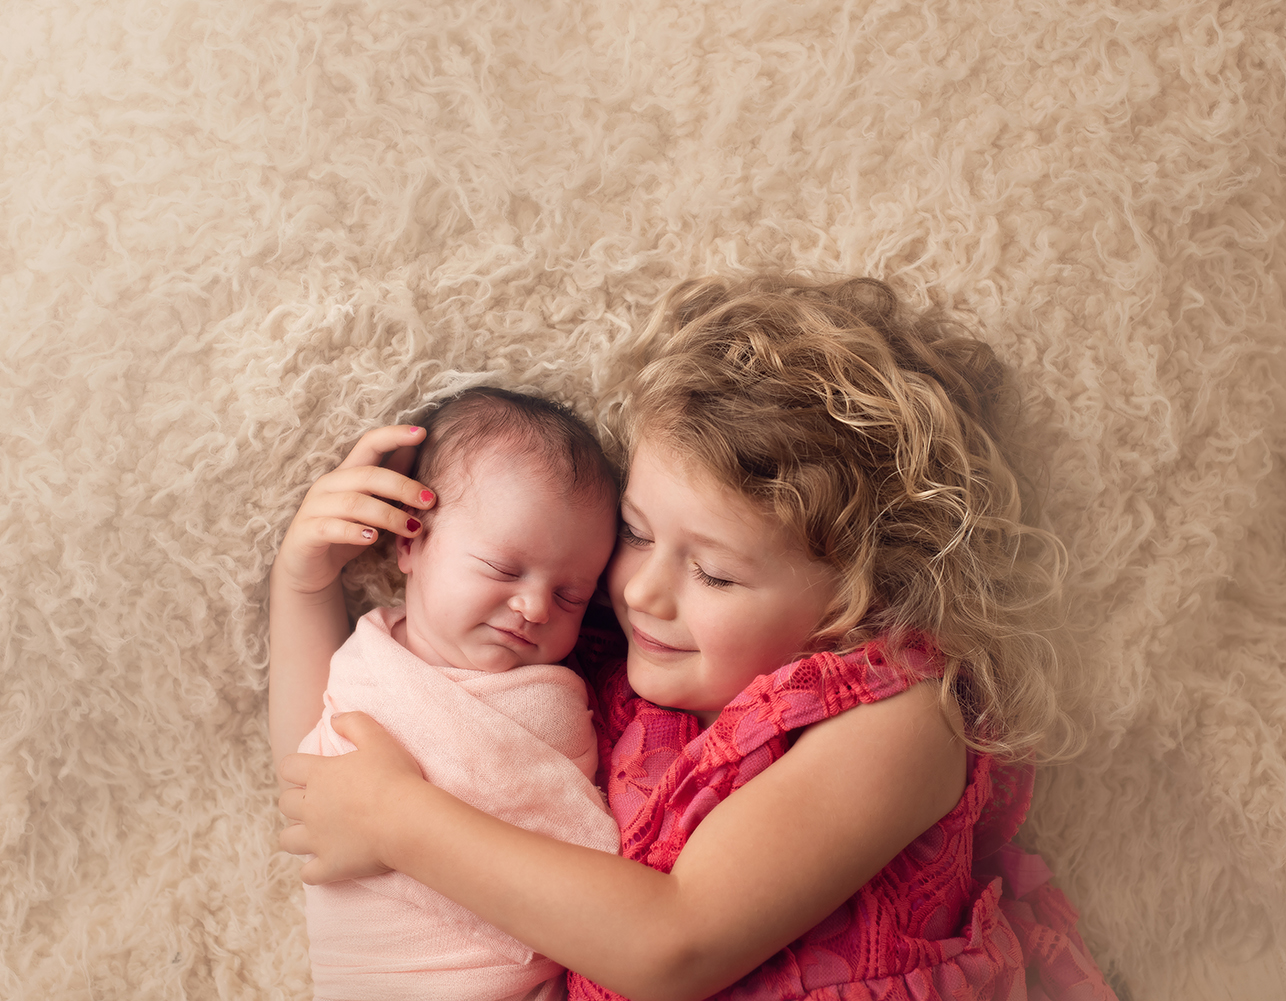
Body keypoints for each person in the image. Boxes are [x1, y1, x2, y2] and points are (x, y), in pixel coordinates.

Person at [277, 275, 1119, 1001]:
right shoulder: (613, 659)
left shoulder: (897, 723)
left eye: (713, 574)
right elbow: (345, 742)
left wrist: (399, 819)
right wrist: (304, 582)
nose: (638, 589)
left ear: (860, 593)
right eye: (636, 532)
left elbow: (674, 942)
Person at [268, 387, 622, 1001]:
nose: (536, 606)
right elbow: (305, 777)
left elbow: (581, 864)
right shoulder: (371, 654)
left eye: (573, 595)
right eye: (502, 569)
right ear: (411, 542)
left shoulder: (553, 700)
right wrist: (303, 580)